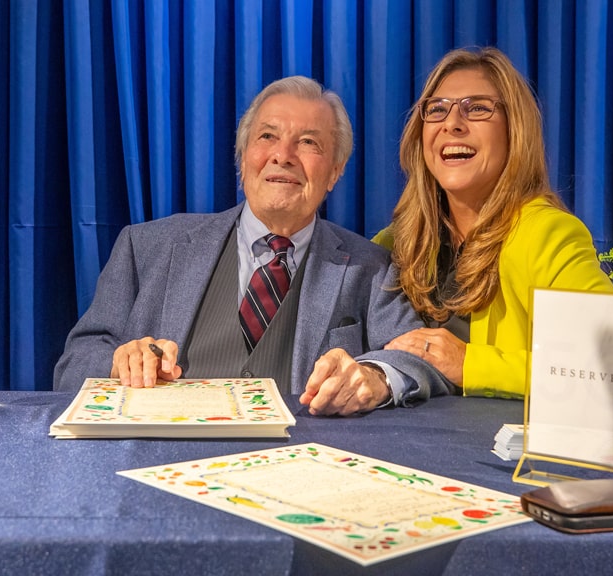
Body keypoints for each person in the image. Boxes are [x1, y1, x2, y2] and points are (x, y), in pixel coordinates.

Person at [53, 76, 452, 415]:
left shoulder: (372, 267)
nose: (283, 155)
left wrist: (375, 377)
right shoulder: (145, 247)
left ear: (334, 171)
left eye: (309, 142)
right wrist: (118, 362)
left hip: (298, 471)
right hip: (157, 459)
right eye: (268, 136)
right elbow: (73, 364)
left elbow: (414, 358)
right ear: (242, 159)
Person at [374, 47, 613, 405]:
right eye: (437, 110)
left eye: (477, 108)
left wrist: (470, 363)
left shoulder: (548, 235)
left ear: (516, 131)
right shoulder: (395, 243)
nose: (452, 123)